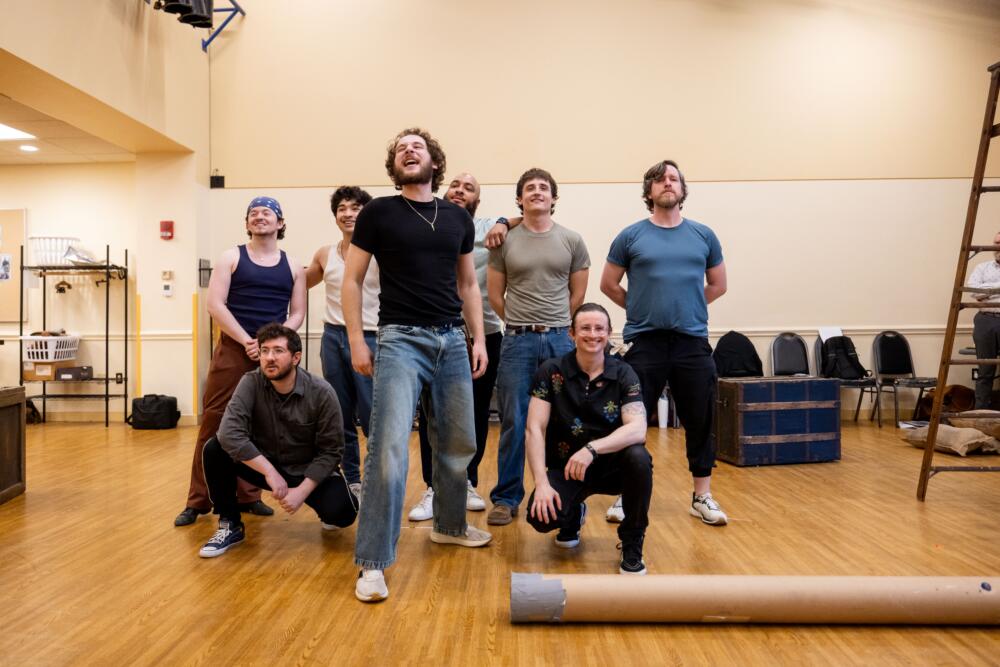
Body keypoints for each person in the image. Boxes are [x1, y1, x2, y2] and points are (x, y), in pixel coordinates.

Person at [344, 128, 492, 603]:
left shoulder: (456, 218)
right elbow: (352, 280)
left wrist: (479, 339)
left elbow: (468, 285)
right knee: (387, 450)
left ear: (434, 161)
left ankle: (449, 525)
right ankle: (372, 562)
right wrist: (356, 342)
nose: (410, 150)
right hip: (399, 338)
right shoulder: (378, 213)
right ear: (394, 164)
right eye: (401, 147)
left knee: (458, 440)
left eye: (418, 145)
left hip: (452, 338)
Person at [600, 159, 729, 526]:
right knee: (632, 419)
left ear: (682, 190)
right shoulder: (631, 236)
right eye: (659, 180)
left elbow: (718, 285)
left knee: (701, 420)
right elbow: (608, 284)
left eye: (673, 178)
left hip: (692, 343)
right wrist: (639, 307)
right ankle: (626, 496)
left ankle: (701, 495)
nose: (667, 183)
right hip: (645, 343)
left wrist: (687, 306)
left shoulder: (704, 235)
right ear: (649, 192)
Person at [175, 197, 306, 527]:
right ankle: (198, 501)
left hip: (271, 356)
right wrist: (248, 341)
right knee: (213, 424)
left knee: (261, 427)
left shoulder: (293, 265)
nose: (260, 217)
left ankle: (248, 496)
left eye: (267, 213)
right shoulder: (231, 257)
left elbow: (298, 313)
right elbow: (215, 304)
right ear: (247, 224)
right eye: (254, 214)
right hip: (234, 351)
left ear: (280, 222)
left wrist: (271, 345)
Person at [197, 324, 358, 557]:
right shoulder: (250, 382)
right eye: (264, 351)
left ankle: (328, 505)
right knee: (215, 448)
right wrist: (270, 472)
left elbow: (332, 452)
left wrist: (301, 492)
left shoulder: (322, 392)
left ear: (296, 358)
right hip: (268, 466)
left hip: (306, 469)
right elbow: (229, 433)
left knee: (343, 514)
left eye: (278, 351)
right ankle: (230, 524)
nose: (269, 358)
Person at [486, 168, 590, 526]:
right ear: (520, 199)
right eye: (529, 188)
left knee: (565, 419)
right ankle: (506, 497)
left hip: (561, 338)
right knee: (514, 419)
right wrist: (519, 321)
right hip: (517, 340)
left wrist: (558, 324)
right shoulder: (504, 240)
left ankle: (568, 492)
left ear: (553, 198)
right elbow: (495, 295)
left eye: (543, 188)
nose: (536, 192)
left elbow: (578, 295)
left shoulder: (572, 240)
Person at [409, 172, 510, 521]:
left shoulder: (484, 227)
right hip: (430, 331)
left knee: (476, 411)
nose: (460, 190)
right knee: (431, 413)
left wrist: (501, 221)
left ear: (476, 201)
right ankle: (434, 487)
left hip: (483, 334)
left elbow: (522, 217)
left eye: (469, 188)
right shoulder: (427, 217)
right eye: (456, 185)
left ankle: (467, 480)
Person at [526, 303, 651, 574]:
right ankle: (571, 517)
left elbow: (638, 429)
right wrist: (542, 483)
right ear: (572, 333)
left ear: (608, 333)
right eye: (585, 328)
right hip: (568, 467)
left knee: (639, 457)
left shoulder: (624, 373)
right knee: (540, 517)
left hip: (614, 467)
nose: (592, 334)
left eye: (599, 329)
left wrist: (591, 449)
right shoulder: (550, 371)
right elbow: (534, 429)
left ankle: (632, 542)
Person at [306, 186, 378, 498]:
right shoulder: (325, 253)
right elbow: (297, 282)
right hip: (332, 338)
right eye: (342, 209)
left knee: (373, 415)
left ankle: (377, 481)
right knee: (339, 413)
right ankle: (352, 479)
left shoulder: (379, 252)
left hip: (371, 337)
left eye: (355, 208)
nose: (348, 214)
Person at [968, 230, 1000, 408]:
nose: (997, 247)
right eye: (995, 243)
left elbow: (981, 292)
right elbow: (973, 291)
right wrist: (997, 287)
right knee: (985, 370)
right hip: (985, 320)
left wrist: (986, 291)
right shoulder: (982, 267)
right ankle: (980, 415)